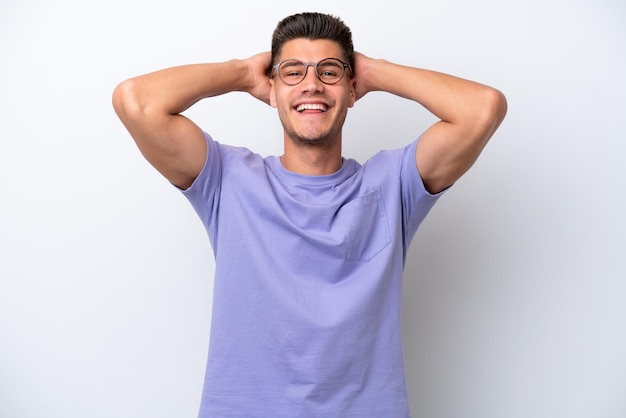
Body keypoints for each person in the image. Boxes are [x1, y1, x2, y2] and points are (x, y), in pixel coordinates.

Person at [112, 12, 506, 418]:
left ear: (353, 89)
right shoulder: (228, 179)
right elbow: (135, 101)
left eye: (330, 72)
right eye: (293, 72)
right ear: (272, 89)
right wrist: (244, 72)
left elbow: (483, 108)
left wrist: (373, 70)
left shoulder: (391, 185)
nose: (312, 84)